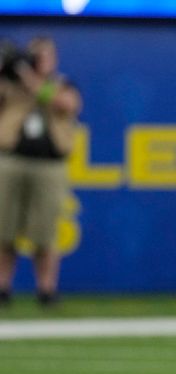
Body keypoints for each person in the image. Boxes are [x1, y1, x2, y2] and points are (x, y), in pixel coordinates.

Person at [0, 36, 81, 307]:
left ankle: (46, 289)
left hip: (49, 164)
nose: (41, 62)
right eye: (36, 57)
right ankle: (3, 287)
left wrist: (28, 77)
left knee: (45, 231)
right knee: (4, 228)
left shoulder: (62, 84)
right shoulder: (10, 86)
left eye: (47, 57)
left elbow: (64, 104)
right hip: (12, 160)